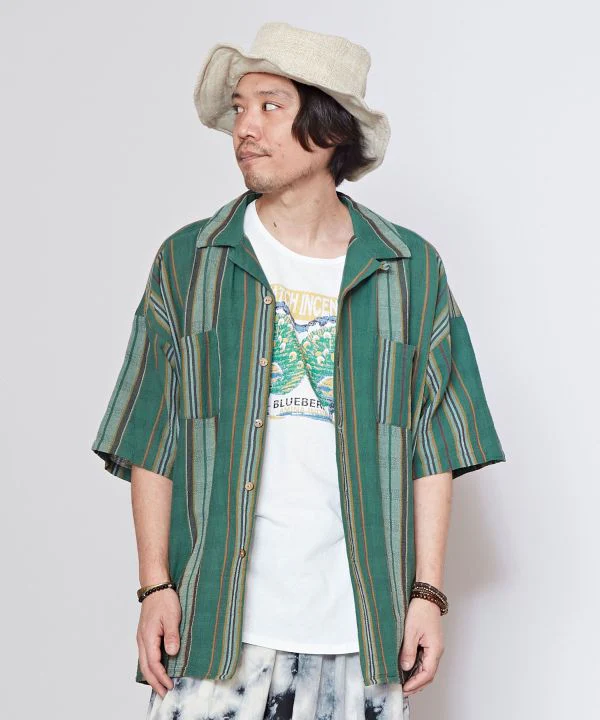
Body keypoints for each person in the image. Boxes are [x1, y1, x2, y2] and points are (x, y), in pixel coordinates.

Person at [91, 21, 506, 720]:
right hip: (216, 627)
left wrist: (428, 595)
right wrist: (154, 586)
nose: (244, 128)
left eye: (270, 106)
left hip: (362, 633)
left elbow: (433, 445)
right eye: (240, 107)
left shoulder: (409, 271)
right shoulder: (190, 263)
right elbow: (150, 437)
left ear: (329, 127)